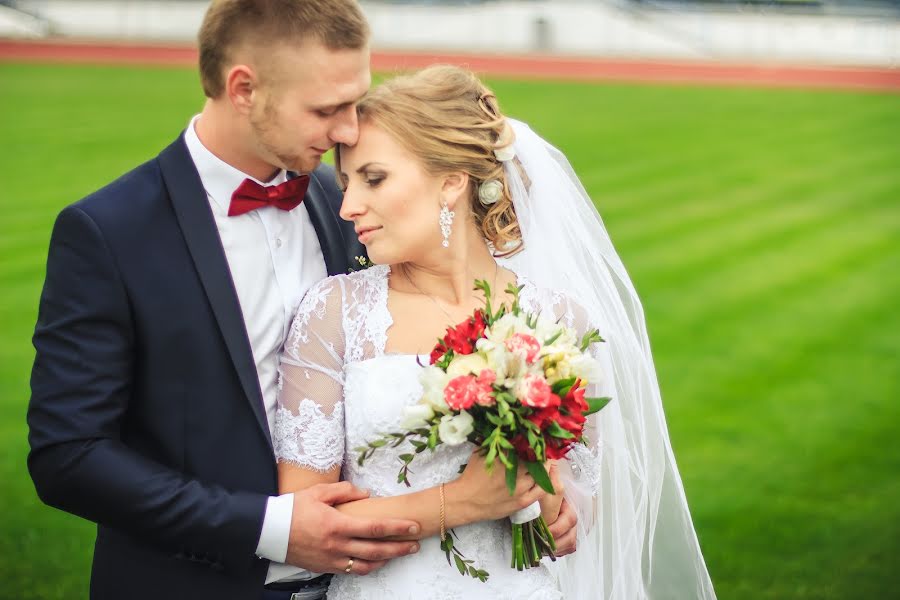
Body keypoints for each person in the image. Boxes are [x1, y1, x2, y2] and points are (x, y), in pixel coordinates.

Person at [273, 64, 718, 599]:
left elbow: (577, 506)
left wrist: (558, 509)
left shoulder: (561, 323)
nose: (347, 207)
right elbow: (306, 530)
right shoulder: (334, 313)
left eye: (374, 178)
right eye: (346, 184)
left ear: (452, 181)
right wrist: (464, 501)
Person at [29, 1, 417, 598]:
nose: (348, 131)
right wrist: (270, 527)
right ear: (244, 89)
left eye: (355, 103)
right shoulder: (107, 232)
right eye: (326, 109)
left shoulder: (347, 200)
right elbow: (69, 455)